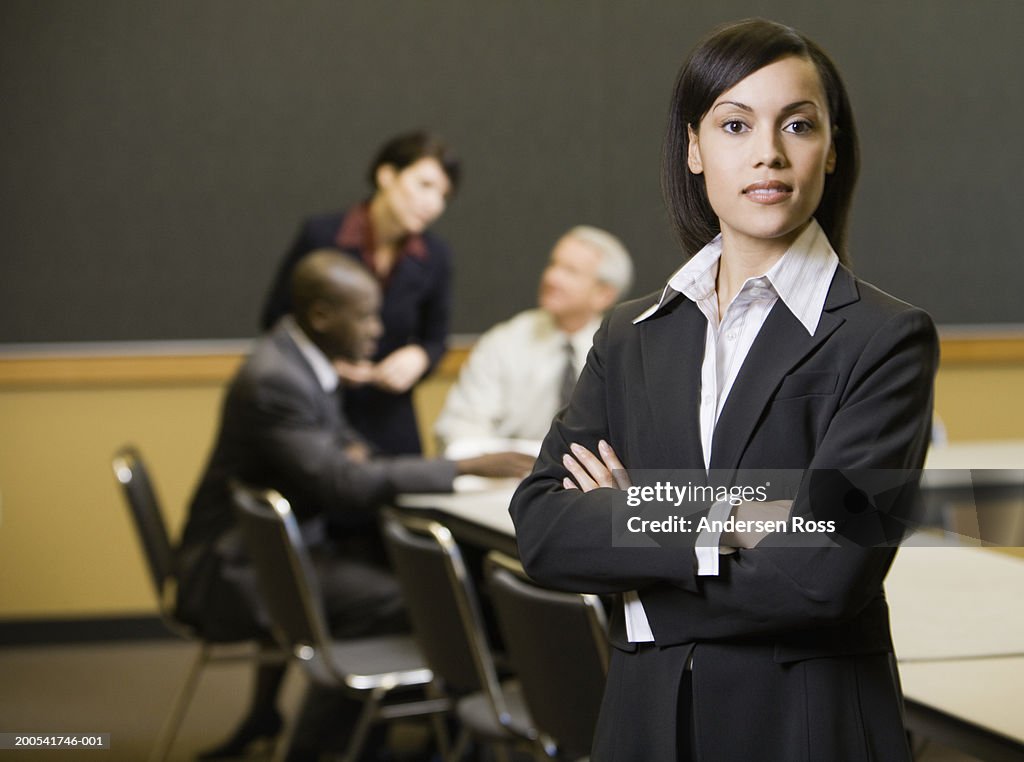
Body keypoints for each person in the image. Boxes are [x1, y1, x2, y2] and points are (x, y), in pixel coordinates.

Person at [510, 18, 937, 761]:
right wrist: (748, 518)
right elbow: (543, 529)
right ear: (695, 148)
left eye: (797, 124)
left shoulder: (885, 339)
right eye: (735, 124)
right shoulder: (629, 333)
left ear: (831, 149)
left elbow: (824, 574)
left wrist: (632, 522)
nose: (768, 152)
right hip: (647, 728)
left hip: (803, 729)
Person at [177, 250, 533, 760]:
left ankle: (413, 735)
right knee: (424, 597)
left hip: (275, 550)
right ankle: (333, 749)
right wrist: (463, 467)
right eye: (365, 315)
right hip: (234, 568)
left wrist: (354, 465)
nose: (377, 328)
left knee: (429, 579)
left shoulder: (298, 360)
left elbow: (347, 455)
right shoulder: (279, 379)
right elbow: (344, 481)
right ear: (322, 316)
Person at [261, 131, 460, 456]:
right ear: (387, 175)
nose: (433, 204)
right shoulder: (322, 235)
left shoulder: (435, 255)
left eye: (443, 196)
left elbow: (435, 339)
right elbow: (276, 319)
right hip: (318, 406)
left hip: (389, 417)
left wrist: (419, 358)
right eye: (425, 185)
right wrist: (327, 364)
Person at [434, 226, 633, 455]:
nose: (551, 278)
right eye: (553, 264)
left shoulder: (620, 352)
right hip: (506, 480)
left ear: (604, 295)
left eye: (570, 271)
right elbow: (458, 428)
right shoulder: (503, 342)